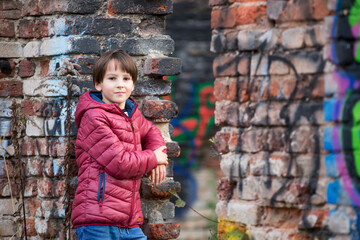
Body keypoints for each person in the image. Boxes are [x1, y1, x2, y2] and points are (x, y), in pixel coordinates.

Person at [71, 49, 168, 240]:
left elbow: (151, 132)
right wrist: (153, 157)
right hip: (98, 222)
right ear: (98, 84)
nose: (120, 85)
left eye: (126, 79)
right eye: (112, 78)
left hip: (129, 224)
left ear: (133, 84)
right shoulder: (93, 116)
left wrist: (159, 156)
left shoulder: (132, 114)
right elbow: (120, 163)